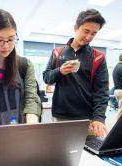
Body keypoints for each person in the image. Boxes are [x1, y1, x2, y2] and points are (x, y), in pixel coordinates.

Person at [43, 9, 108, 137]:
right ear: (75, 28)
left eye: (94, 33)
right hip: (60, 117)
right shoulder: (57, 52)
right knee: (59, 155)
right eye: (86, 31)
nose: (89, 37)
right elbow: (47, 78)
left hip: (87, 120)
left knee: (89, 156)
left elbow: (102, 91)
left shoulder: (98, 57)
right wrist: (59, 71)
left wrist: (99, 118)